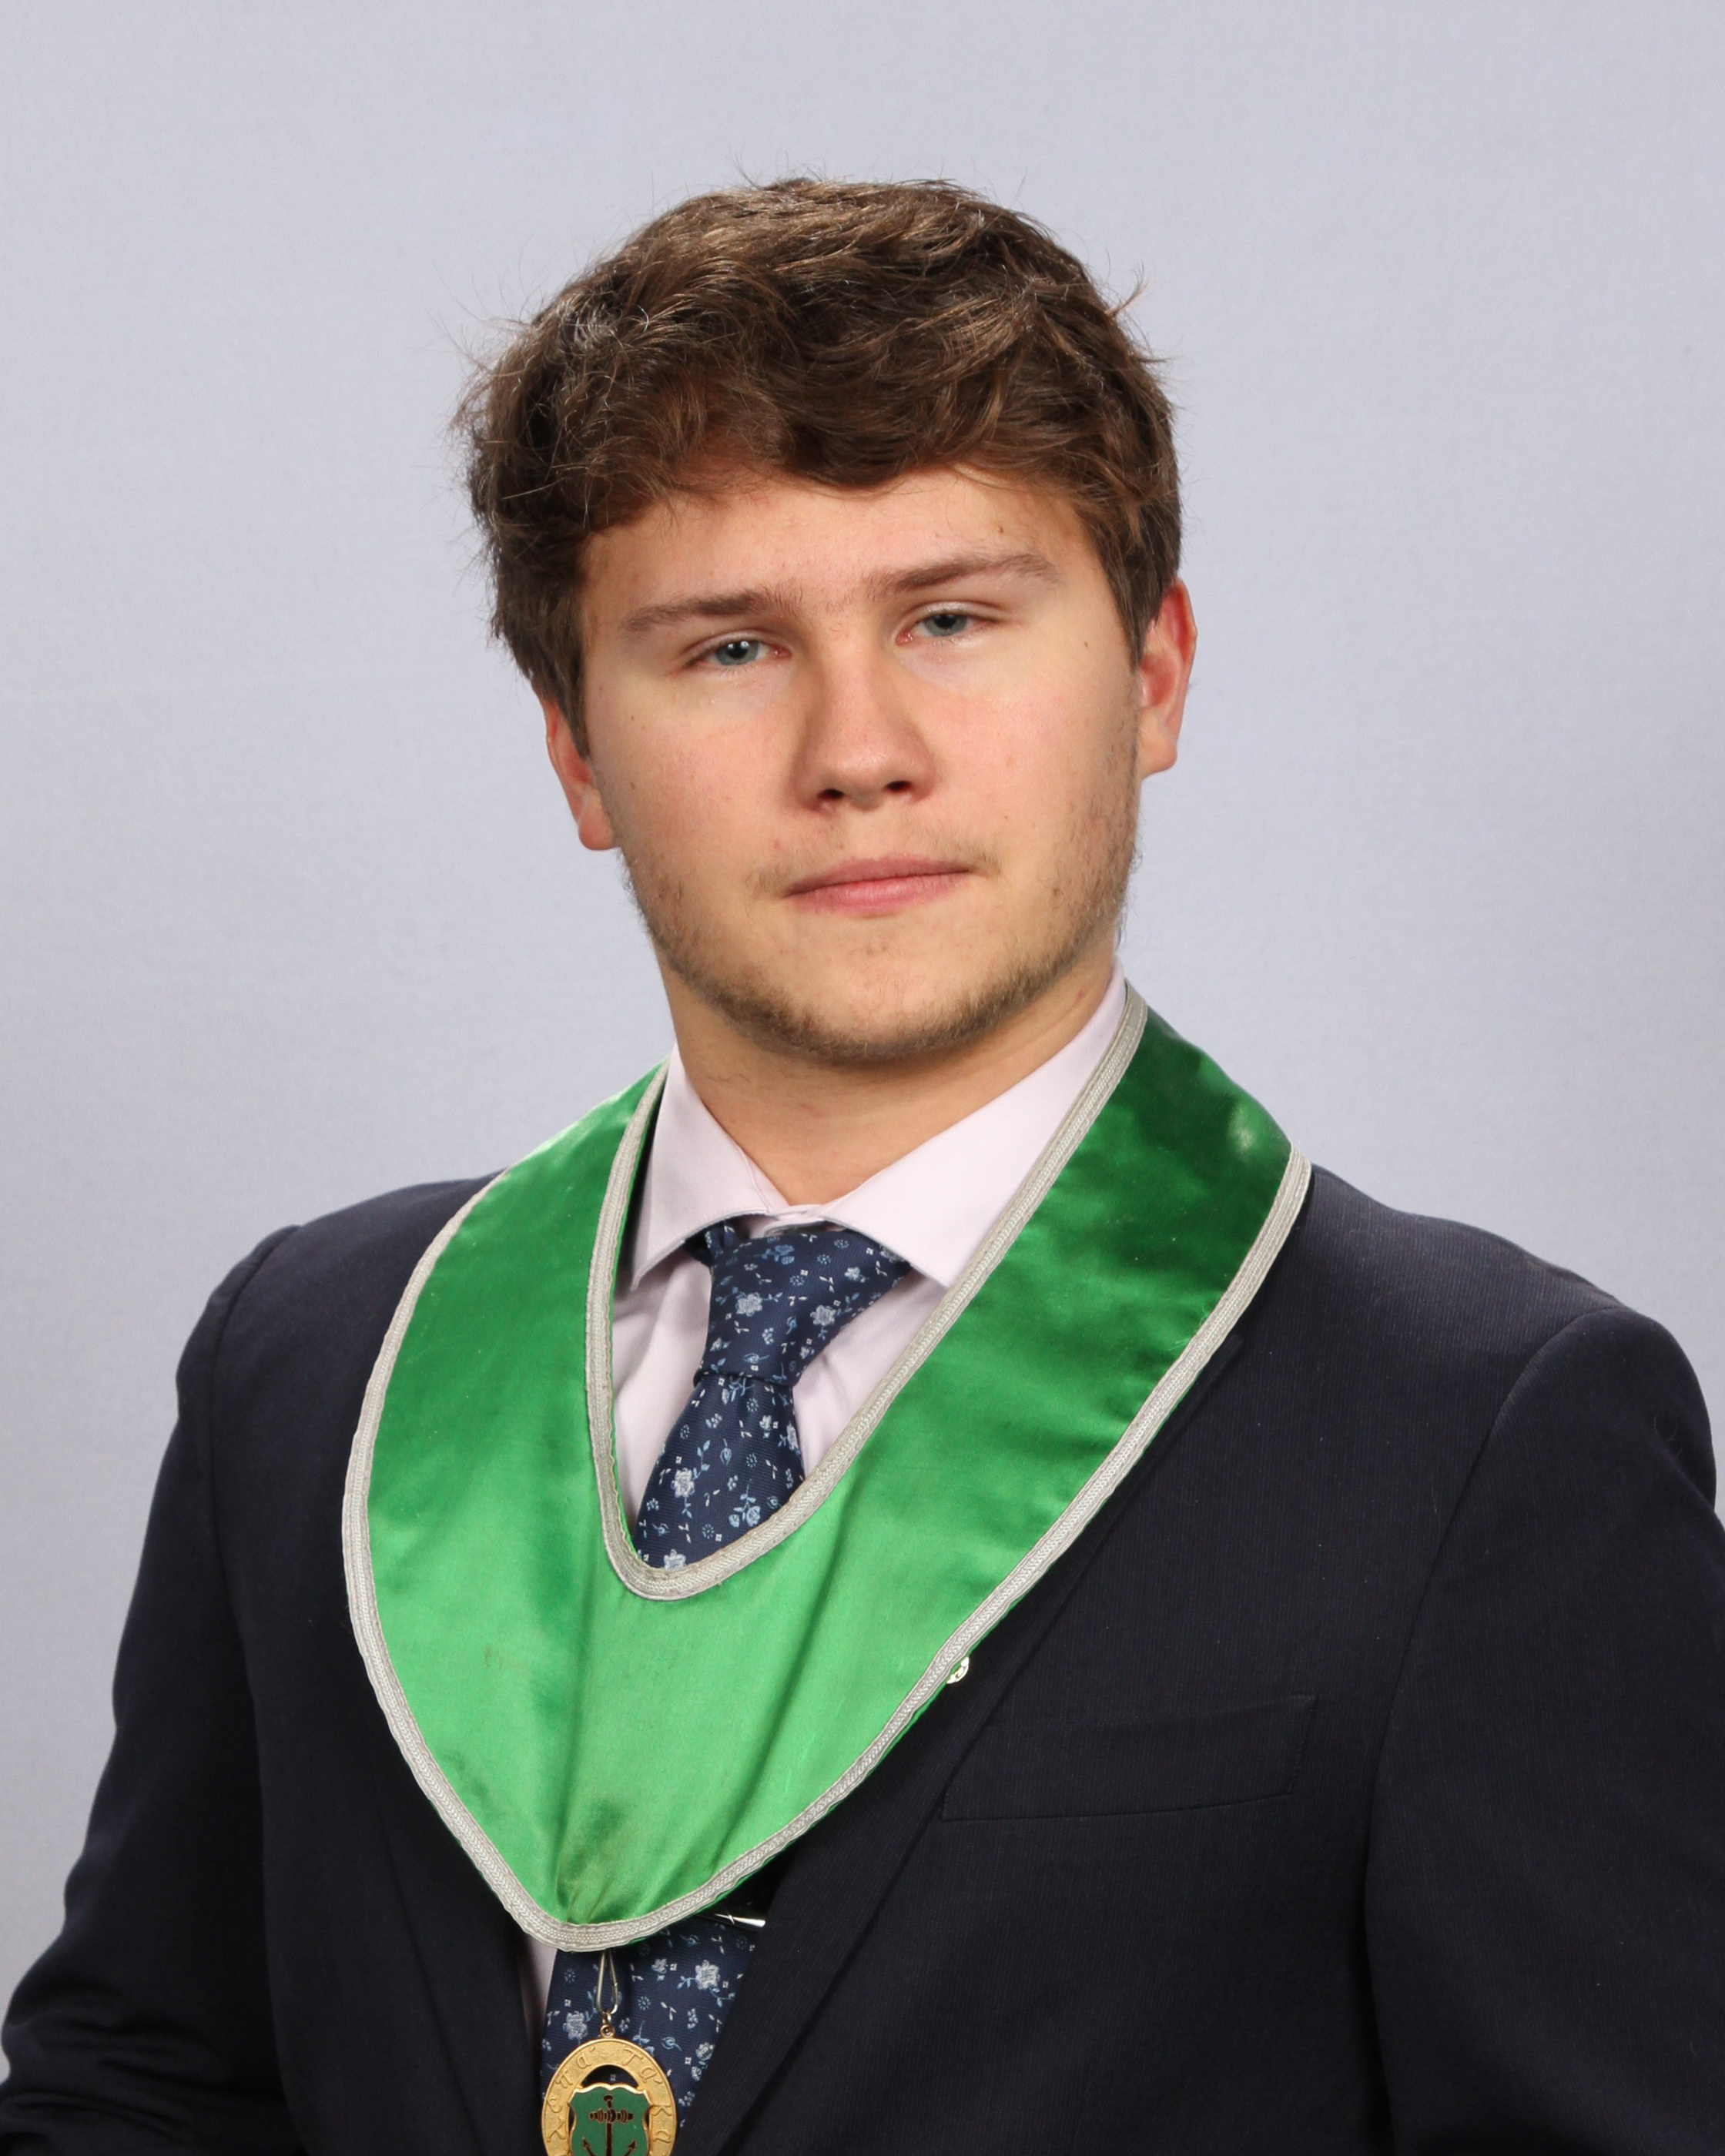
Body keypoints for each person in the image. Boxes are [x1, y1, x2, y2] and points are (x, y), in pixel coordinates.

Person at [2, 176, 1721, 2156]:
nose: (858, 747)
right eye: (731, 645)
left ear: (1154, 674)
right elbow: (149, 2088)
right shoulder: (319, 1366)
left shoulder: (1480, 1434)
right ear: (575, 748)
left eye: (952, 619)